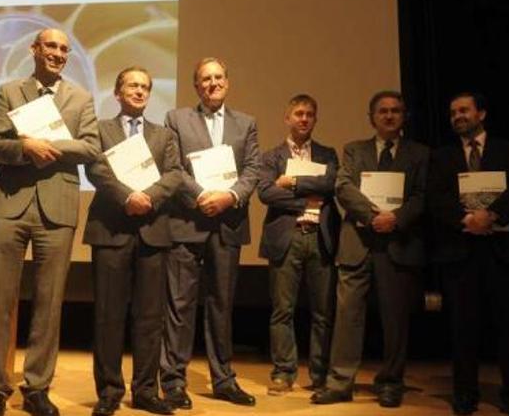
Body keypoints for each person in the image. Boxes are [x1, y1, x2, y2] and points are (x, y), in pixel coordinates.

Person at [0, 28, 100, 416]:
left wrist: (48, 145)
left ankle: (36, 388)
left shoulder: (80, 98)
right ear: (34, 49)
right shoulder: (10, 91)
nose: (58, 53)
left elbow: (91, 147)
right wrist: (23, 147)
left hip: (58, 207)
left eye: (64, 49)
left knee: (49, 304)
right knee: (0, 301)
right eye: (51, 46)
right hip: (11, 203)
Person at [313, 90, 428, 408]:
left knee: (395, 319)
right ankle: (339, 382)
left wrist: (395, 219)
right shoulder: (354, 150)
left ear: (404, 116)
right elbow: (343, 186)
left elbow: (421, 196)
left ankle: (391, 382)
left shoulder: (420, 154)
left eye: (395, 111)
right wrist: (373, 216)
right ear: (372, 117)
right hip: (358, 242)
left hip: (398, 244)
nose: (389, 116)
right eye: (382, 111)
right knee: (347, 316)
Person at [159, 57, 260, 409]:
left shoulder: (246, 123)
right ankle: (173, 381)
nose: (213, 83)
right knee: (179, 306)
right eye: (205, 78)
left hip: (227, 224)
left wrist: (229, 196)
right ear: (196, 85)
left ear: (227, 83)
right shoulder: (176, 118)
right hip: (187, 221)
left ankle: (223, 380)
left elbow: (252, 169)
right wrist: (202, 195)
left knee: (221, 306)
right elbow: (171, 167)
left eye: (218, 77)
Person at [428, 92, 509, 416]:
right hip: (460, 254)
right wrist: (466, 219)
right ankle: (464, 395)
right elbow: (436, 198)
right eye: (452, 113)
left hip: (504, 252)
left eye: (464, 110)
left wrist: (491, 216)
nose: (458, 116)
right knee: (463, 329)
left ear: (482, 113)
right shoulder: (442, 156)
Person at [83, 67, 182, 416]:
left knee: (150, 317)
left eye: (144, 87)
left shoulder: (164, 135)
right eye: (132, 86)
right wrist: (127, 197)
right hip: (110, 230)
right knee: (108, 316)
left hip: (153, 231)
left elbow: (174, 174)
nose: (139, 91)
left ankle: (145, 391)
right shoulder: (100, 128)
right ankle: (109, 392)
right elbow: (95, 169)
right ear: (117, 92)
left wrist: (149, 198)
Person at [257, 94, 339, 395]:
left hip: (320, 236)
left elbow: (330, 185)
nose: (304, 119)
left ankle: (320, 374)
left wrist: (291, 183)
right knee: (282, 311)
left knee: (323, 312)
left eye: (309, 114)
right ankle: (283, 373)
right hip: (287, 238)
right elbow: (265, 192)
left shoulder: (328, 154)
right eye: (298, 114)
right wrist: (307, 197)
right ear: (287, 118)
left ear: (315, 119)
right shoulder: (270, 157)